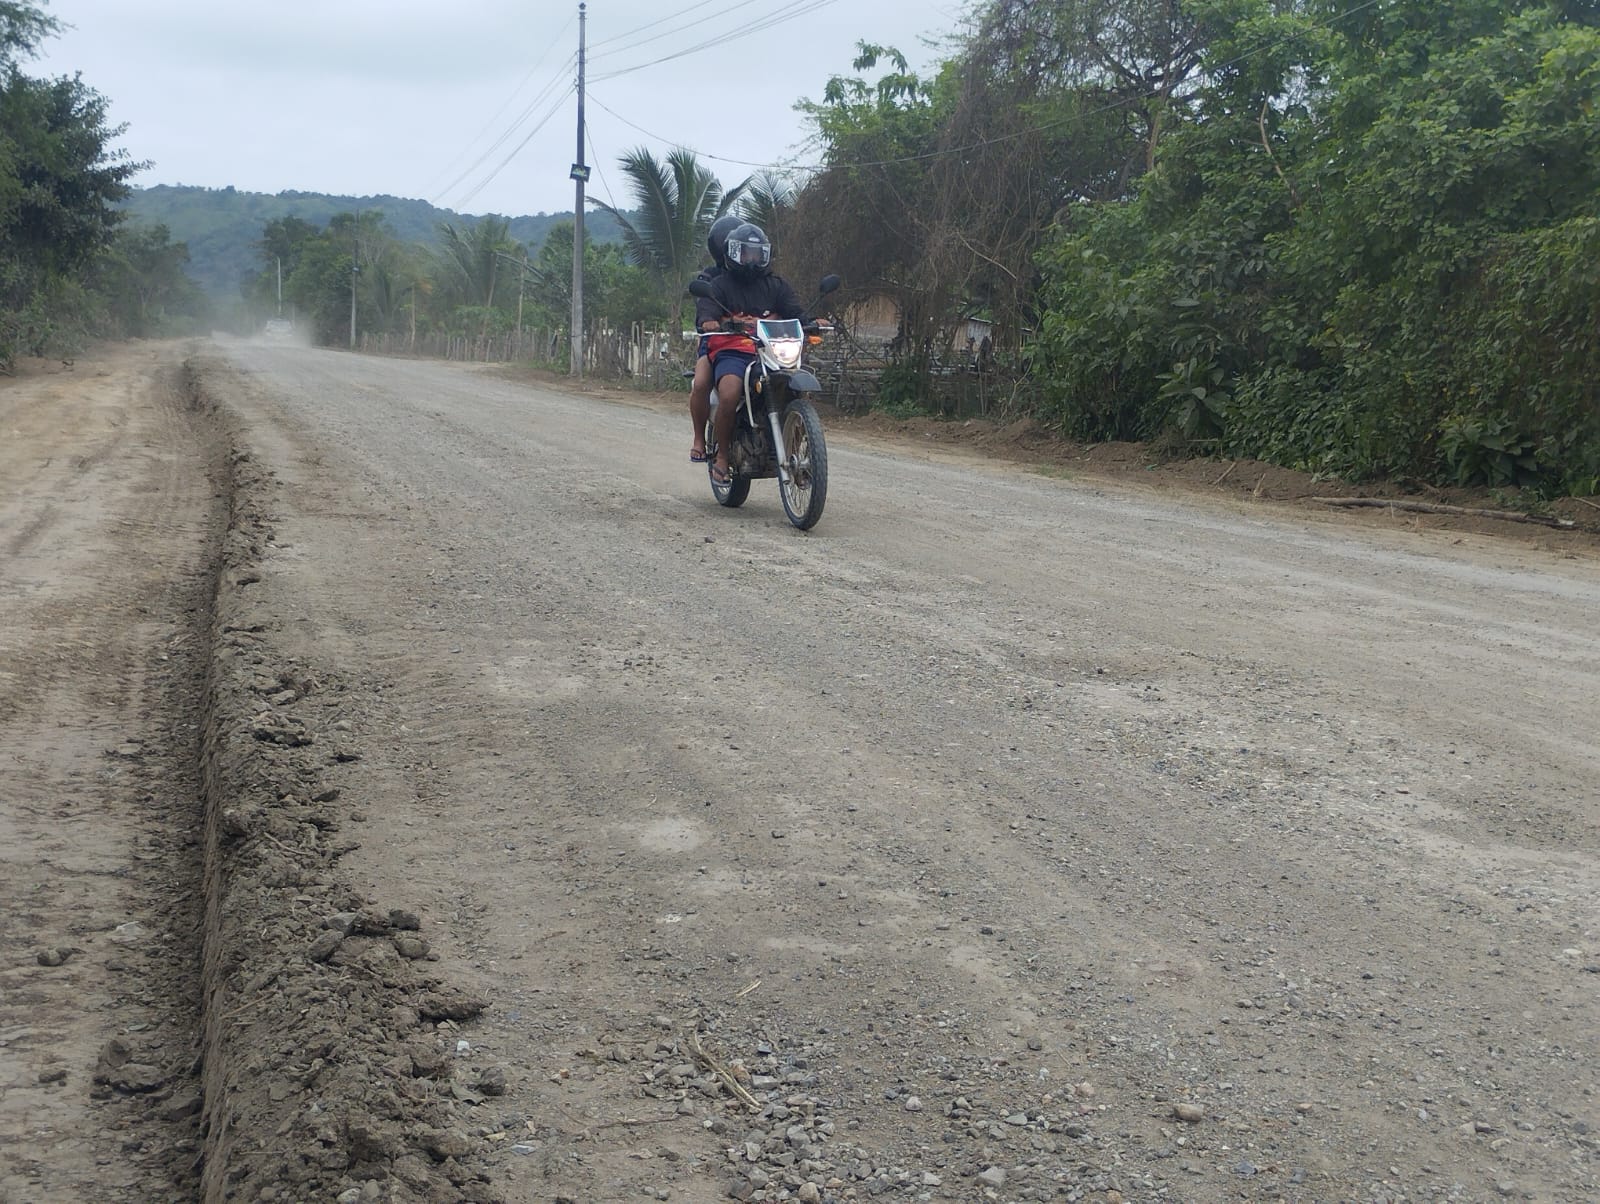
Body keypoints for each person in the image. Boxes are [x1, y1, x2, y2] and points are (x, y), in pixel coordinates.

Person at [694, 222, 805, 485]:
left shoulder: (776, 285)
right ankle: (722, 455)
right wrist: (712, 321)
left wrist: (813, 320)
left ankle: (796, 454)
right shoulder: (718, 283)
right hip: (732, 349)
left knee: (798, 390)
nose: (752, 260)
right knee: (729, 392)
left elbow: (795, 310)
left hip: (768, 349)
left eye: (757, 254)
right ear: (732, 253)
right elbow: (706, 312)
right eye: (746, 254)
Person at [688, 215, 743, 462]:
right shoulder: (709, 278)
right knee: (700, 383)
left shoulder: (755, 276)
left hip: (753, 344)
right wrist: (712, 322)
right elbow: (704, 311)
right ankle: (699, 437)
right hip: (717, 342)